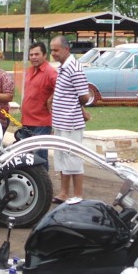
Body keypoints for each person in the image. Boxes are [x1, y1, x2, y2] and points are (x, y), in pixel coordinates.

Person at [49, 35, 90, 202]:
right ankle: (64, 192)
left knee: (73, 159)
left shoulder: (74, 67)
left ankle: (78, 195)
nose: (53, 53)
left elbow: (84, 96)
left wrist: (78, 109)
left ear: (66, 49)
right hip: (60, 122)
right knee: (61, 158)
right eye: (51, 50)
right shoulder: (63, 67)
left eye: (56, 50)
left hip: (71, 123)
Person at [20, 41, 57, 167]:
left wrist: (51, 98)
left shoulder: (50, 72)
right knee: (25, 157)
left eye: (37, 54)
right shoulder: (30, 70)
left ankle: (43, 185)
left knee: (39, 157)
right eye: (31, 55)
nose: (34, 57)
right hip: (27, 121)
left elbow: (63, 88)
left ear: (45, 55)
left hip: (41, 123)